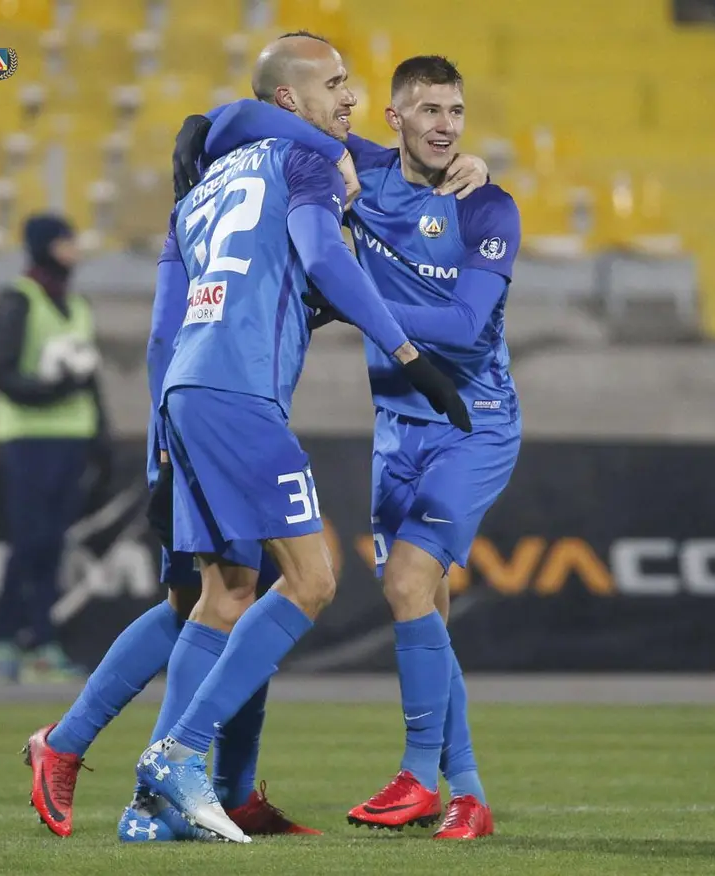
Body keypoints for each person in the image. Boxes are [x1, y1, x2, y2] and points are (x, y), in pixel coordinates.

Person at [132, 33, 470, 843]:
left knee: (224, 592)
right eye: (336, 83)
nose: (350, 97)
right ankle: (176, 754)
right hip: (240, 391)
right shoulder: (308, 158)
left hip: (187, 388)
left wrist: (159, 440)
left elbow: (161, 328)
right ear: (290, 100)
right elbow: (324, 257)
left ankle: (149, 812)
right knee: (311, 580)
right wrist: (408, 354)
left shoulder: (206, 185)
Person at [196, 53, 522, 840]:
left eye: (456, 112)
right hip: (397, 430)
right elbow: (244, 119)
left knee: (407, 585)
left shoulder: (488, 206)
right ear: (394, 117)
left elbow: (465, 326)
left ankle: (415, 776)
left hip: (471, 422)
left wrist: (350, 297)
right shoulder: (361, 170)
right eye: (430, 111)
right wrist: (203, 129)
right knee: (425, 610)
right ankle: (467, 794)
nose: (446, 127)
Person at [21, 182, 337, 839]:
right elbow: (164, 336)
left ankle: (97, 755)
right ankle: (154, 793)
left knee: (213, 600)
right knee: (229, 599)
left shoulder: (211, 217)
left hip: (190, 419)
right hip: (202, 423)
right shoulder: (239, 204)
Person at [0, 213, 111, 683]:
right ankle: (5, 641)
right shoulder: (18, 298)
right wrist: (56, 388)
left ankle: (42, 643)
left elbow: (91, 380)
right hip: (28, 437)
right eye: (64, 241)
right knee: (29, 542)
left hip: (70, 438)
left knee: (53, 545)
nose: (73, 250)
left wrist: (101, 436)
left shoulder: (77, 305)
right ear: (43, 246)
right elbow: (3, 375)